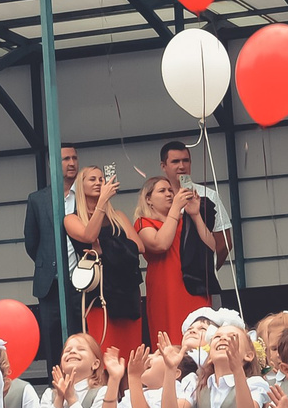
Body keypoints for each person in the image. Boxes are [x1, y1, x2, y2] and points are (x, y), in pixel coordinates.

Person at [64, 164, 145, 356]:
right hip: (100, 291)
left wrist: (104, 248)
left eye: (101, 179)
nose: (99, 183)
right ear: (80, 186)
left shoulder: (118, 216)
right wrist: (101, 204)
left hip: (127, 289)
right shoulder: (72, 218)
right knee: (107, 350)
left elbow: (139, 247)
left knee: (131, 351)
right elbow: (89, 236)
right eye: (92, 179)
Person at [24, 145, 84, 362]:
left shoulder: (85, 196)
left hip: (83, 281)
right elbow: (31, 242)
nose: (71, 163)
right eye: (65, 159)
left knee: (82, 336)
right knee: (52, 339)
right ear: (52, 164)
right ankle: (55, 387)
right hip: (50, 282)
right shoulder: (37, 199)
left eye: (74, 158)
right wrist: (48, 263)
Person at [161, 140, 235, 308]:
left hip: (202, 284)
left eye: (185, 160)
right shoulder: (157, 198)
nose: (181, 166)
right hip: (168, 282)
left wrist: (205, 268)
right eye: (175, 161)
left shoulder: (208, 195)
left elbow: (224, 242)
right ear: (163, 166)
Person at [135, 175, 199, 347]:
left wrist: (195, 214)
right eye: (162, 191)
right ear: (148, 199)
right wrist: (175, 211)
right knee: (169, 335)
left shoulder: (186, 220)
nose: (169, 194)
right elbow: (160, 244)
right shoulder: (143, 222)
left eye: (171, 190)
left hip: (191, 284)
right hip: (165, 286)